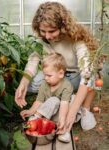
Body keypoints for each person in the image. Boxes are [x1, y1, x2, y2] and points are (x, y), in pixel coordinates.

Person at [15, 2, 99, 131]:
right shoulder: (43, 38)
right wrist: (23, 83)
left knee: (93, 78)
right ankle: (57, 101)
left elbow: (86, 74)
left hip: (76, 75)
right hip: (57, 74)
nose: (47, 36)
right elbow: (34, 59)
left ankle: (85, 109)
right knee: (32, 84)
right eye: (43, 31)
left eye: (52, 31)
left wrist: (72, 112)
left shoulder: (77, 38)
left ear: (63, 26)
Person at [20, 53, 73, 143]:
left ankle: (63, 129)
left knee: (72, 99)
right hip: (48, 113)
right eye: (44, 75)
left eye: (49, 75)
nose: (45, 78)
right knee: (53, 100)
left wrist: (62, 120)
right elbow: (39, 101)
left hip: (61, 114)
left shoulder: (66, 86)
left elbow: (64, 105)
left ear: (60, 74)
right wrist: (31, 111)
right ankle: (36, 119)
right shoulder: (44, 84)